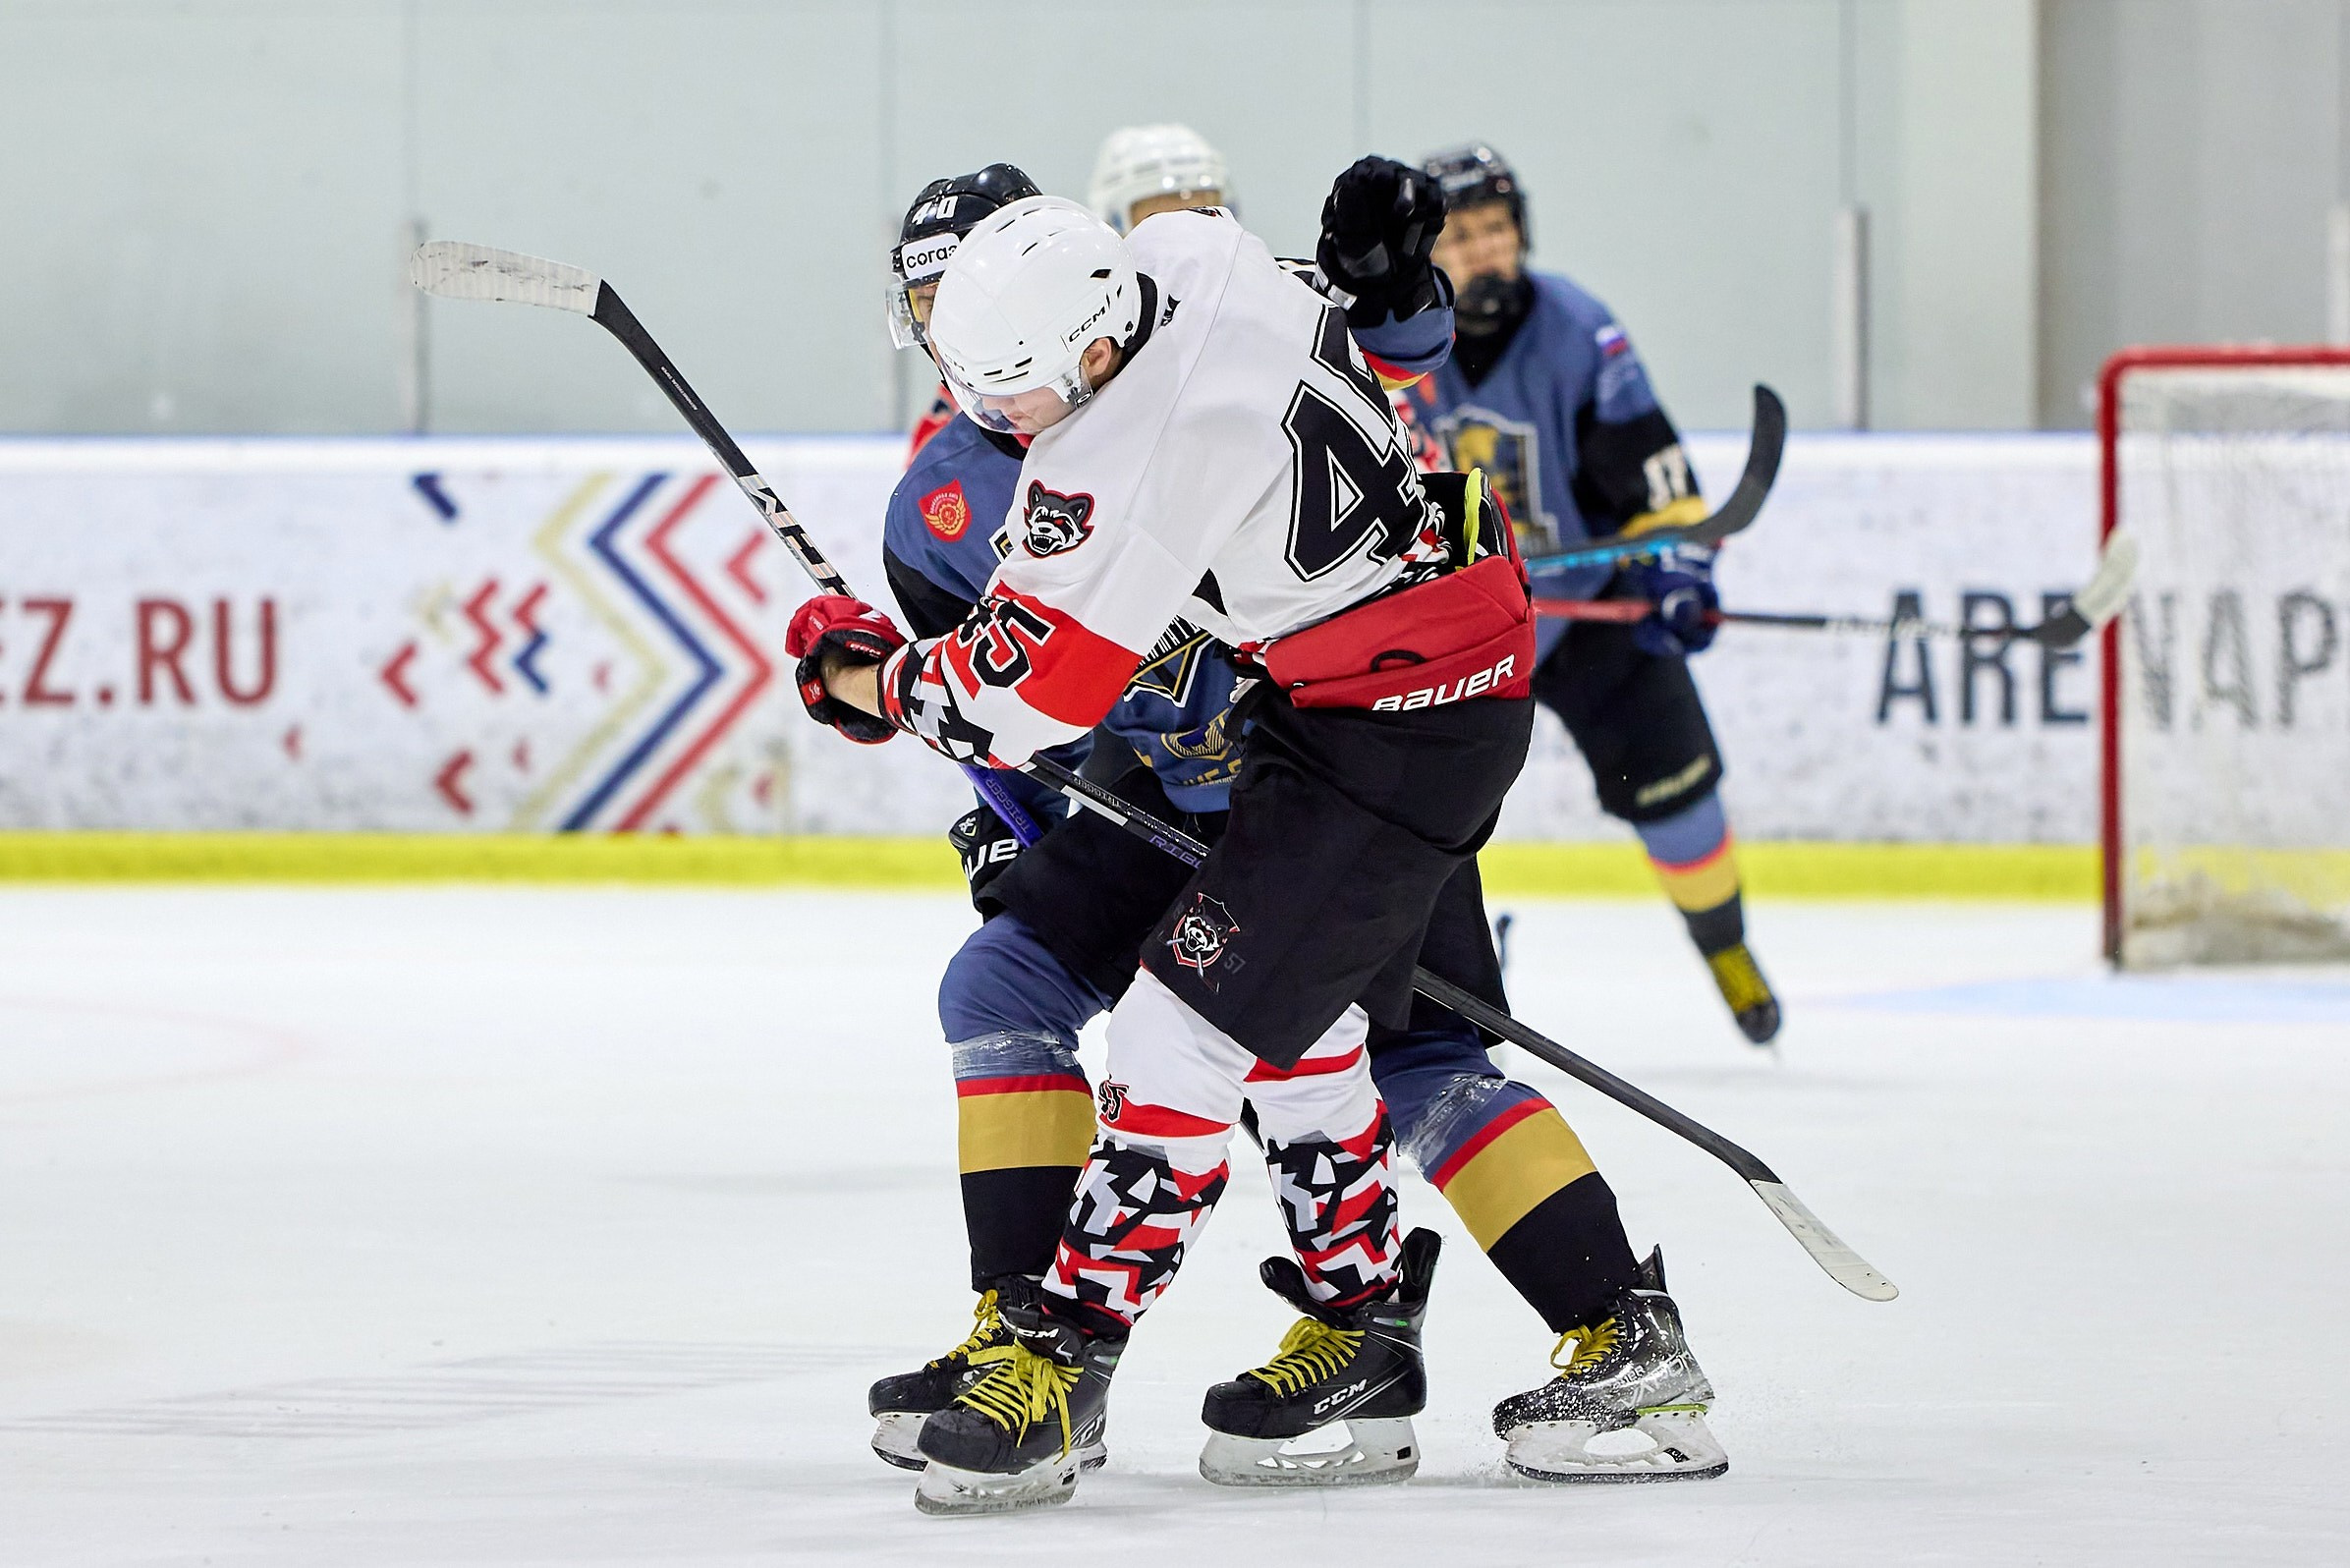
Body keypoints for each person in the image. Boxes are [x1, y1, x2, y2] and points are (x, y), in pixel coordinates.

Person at [792, 175, 1722, 1513]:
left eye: (1014, 394)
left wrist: (871, 683)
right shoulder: (1189, 254)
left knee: (1187, 1037)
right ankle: (1366, 1331)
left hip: (1387, 728)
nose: (1004, 425)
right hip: (1378, 685)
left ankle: (1062, 1358)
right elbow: (1365, 335)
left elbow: (1023, 692)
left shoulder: (1116, 460)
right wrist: (1392, 293)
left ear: (1091, 350)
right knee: (1295, 1030)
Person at [1403, 143, 1782, 1048]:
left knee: (1678, 792)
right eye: (1464, 236)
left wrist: (1678, 569)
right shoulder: (1389, 339)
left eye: (1499, 230)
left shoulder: (1578, 329)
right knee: (1409, 817)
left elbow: (1657, 477)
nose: (1487, 251)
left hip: (1585, 609)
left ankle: (1725, 949)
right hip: (1458, 629)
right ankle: (1435, 984)